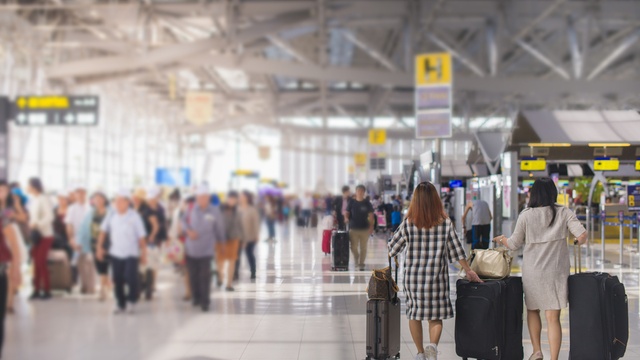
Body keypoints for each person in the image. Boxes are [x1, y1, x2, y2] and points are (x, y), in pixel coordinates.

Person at [493, 178, 587, 360]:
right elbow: (582, 235)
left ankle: (537, 351)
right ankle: (554, 358)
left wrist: (502, 239)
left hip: (533, 271)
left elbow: (513, 244)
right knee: (553, 318)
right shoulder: (563, 212)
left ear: (533, 194)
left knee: (533, 310)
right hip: (556, 272)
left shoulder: (526, 215)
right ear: (553, 193)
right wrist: (576, 241)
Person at [389, 182, 481, 360]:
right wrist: (469, 270)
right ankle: (433, 347)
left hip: (414, 280)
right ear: (435, 200)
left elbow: (392, 248)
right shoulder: (444, 223)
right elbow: (457, 251)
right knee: (435, 317)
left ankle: (420, 353)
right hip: (436, 279)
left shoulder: (409, 223)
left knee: (414, 315)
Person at [96, 189, 147, 314]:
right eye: (116, 201)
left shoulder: (135, 217)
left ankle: (132, 301)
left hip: (131, 253)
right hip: (115, 253)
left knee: (130, 278)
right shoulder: (111, 215)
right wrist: (99, 247)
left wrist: (144, 253)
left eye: (120, 201)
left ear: (127, 202)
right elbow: (103, 232)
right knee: (117, 279)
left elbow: (141, 237)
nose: (117, 203)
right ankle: (120, 303)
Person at [181, 185, 225, 312]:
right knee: (193, 275)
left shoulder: (215, 211)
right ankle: (196, 297)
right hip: (191, 249)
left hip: (206, 249)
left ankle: (205, 301)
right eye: (199, 198)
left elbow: (220, 228)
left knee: (205, 275)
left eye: (204, 197)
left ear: (208, 198)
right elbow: (183, 221)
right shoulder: (191, 209)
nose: (201, 200)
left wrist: (222, 243)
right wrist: (188, 231)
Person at [78, 192, 112, 301]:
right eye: (95, 199)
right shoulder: (90, 213)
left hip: (108, 242)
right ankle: (105, 286)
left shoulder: (110, 212)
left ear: (104, 200)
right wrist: (80, 242)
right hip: (94, 243)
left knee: (105, 264)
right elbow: (83, 227)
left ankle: (103, 289)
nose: (98, 201)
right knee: (99, 265)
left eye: (100, 199)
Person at [0, 181, 27, 314]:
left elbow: (23, 218)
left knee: (12, 269)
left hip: (12, 236)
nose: (2, 193)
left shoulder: (11, 204)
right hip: (2, 237)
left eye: (4, 190)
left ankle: (9, 302)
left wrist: (14, 212)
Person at [27, 177, 55, 300]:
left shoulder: (43, 199)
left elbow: (50, 216)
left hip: (45, 235)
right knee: (36, 262)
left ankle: (47, 290)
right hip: (37, 236)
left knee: (40, 262)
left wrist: (37, 223)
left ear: (34, 186)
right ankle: (36, 289)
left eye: (28, 185)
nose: (27, 188)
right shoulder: (34, 200)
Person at [140, 186, 167, 299]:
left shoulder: (150, 210)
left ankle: (148, 289)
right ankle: (149, 288)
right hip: (155, 242)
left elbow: (156, 226)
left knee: (148, 266)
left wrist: (151, 236)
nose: (150, 200)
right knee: (150, 265)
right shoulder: (159, 209)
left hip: (151, 242)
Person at [66, 185, 92, 294]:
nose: (81, 195)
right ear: (75, 195)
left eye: (83, 192)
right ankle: (84, 286)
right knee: (80, 263)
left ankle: (90, 287)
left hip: (89, 240)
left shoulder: (90, 208)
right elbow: (69, 224)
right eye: (79, 193)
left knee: (90, 263)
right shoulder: (72, 208)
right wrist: (71, 238)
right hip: (77, 238)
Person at [345, 184, 374, 271]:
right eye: (358, 191)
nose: (360, 192)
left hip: (364, 229)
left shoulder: (367, 203)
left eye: (362, 191)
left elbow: (371, 215)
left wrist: (371, 226)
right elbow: (347, 212)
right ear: (356, 192)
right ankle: (356, 257)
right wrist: (346, 218)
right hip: (353, 228)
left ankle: (361, 263)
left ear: (364, 192)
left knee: (363, 247)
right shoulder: (351, 202)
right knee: (353, 247)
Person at [219, 191, 242, 291]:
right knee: (221, 261)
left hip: (234, 238)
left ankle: (229, 284)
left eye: (234, 198)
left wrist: (242, 237)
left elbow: (240, 225)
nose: (232, 200)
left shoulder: (238, 211)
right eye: (230, 198)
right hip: (221, 239)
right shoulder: (220, 209)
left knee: (232, 261)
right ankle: (220, 278)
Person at [238, 191, 260, 280]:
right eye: (240, 196)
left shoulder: (252, 209)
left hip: (250, 236)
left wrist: (256, 235)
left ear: (247, 198)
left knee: (249, 254)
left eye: (243, 196)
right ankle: (235, 272)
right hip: (238, 236)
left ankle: (253, 271)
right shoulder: (237, 209)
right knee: (236, 256)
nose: (241, 198)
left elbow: (256, 223)